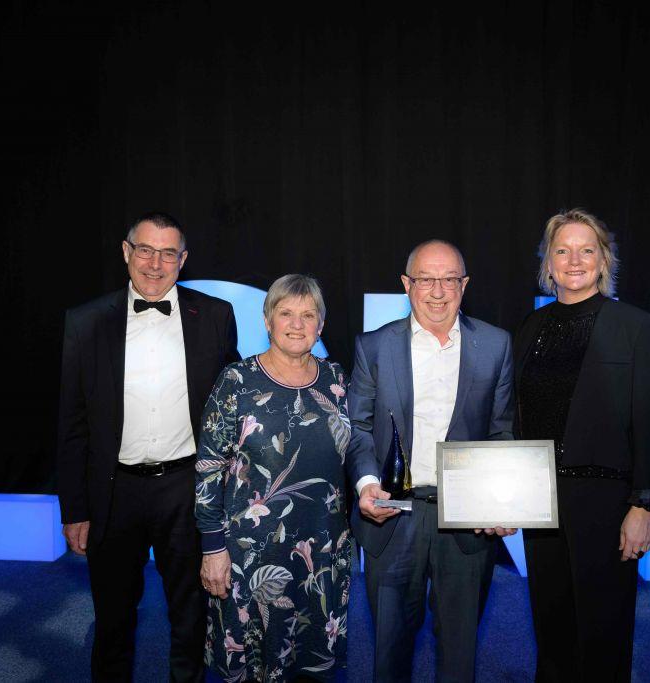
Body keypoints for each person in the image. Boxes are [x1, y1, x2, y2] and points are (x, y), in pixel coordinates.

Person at [57, 212, 239, 681]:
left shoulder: (216, 316)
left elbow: (235, 407)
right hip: (114, 492)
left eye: (167, 253)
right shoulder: (85, 322)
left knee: (191, 616)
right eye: (145, 250)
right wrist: (75, 508)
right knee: (113, 619)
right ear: (125, 252)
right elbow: (72, 423)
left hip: (187, 489)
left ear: (183, 260)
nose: (155, 264)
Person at [347, 239, 515, 683]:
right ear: (407, 284)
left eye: (449, 279)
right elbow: (358, 428)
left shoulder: (496, 345)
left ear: (465, 284)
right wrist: (366, 483)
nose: (437, 291)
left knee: (460, 656)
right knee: (389, 654)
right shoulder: (375, 346)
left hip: (466, 521)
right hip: (393, 514)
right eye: (425, 279)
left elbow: (502, 431)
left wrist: (500, 501)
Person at [514, 208, 650, 682]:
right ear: (548, 263)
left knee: (604, 634)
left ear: (604, 261)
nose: (573, 260)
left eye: (586, 250)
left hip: (605, 503)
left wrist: (643, 505)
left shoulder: (635, 327)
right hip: (542, 503)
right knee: (552, 627)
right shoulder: (529, 330)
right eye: (562, 250)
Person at [197, 274, 353, 682]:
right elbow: (209, 469)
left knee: (312, 664)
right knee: (252, 668)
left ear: (321, 324)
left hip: (321, 552)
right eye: (286, 313)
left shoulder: (337, 381)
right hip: (249, 555)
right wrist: (212, 548)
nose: (297, 324)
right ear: (267, 320)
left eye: (308, 315)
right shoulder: (237, 382)